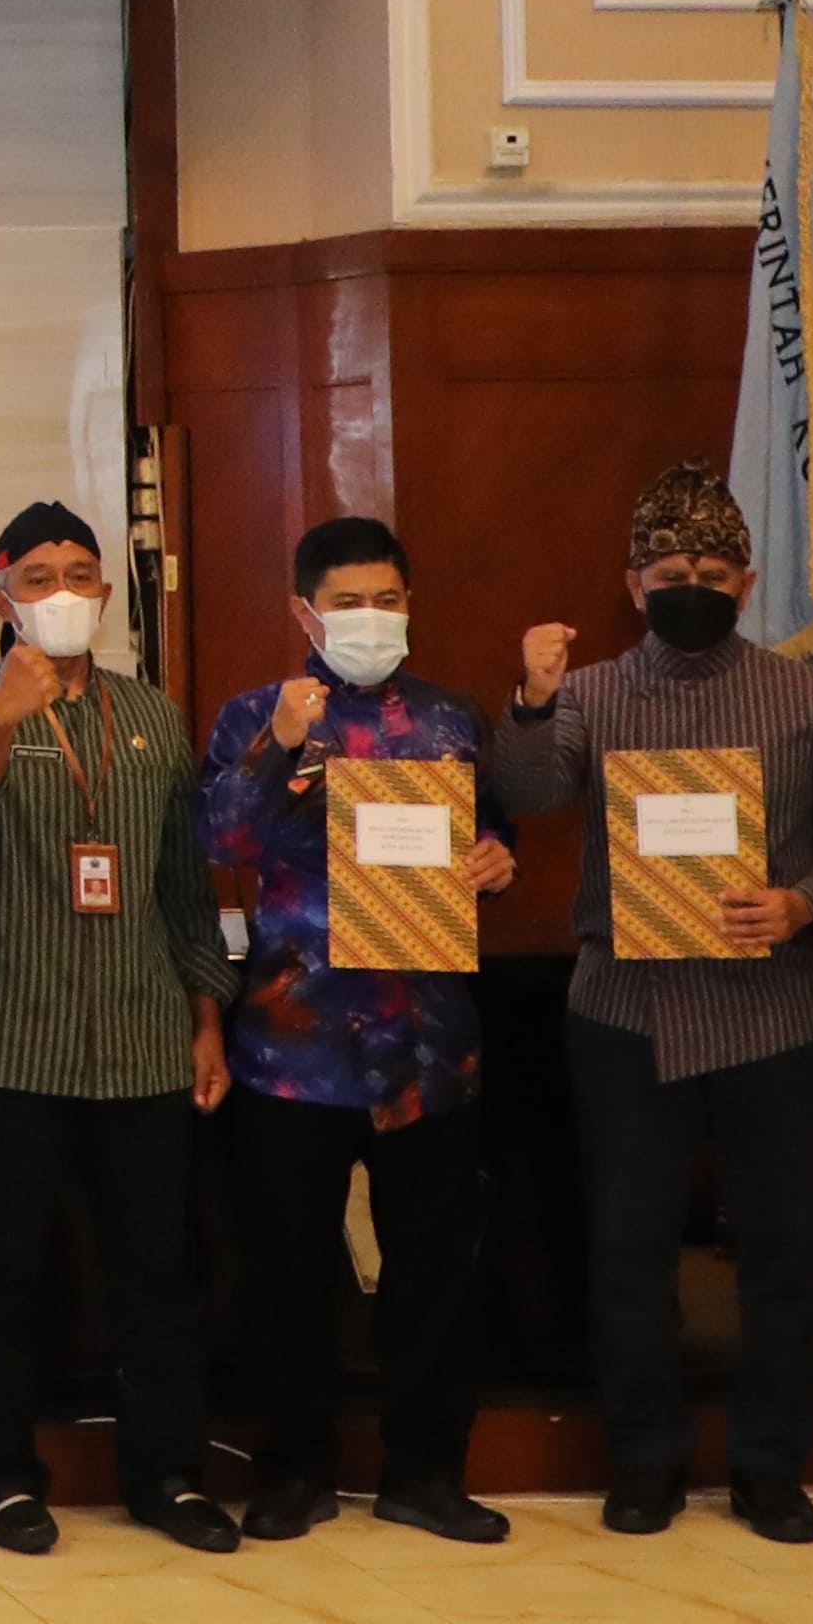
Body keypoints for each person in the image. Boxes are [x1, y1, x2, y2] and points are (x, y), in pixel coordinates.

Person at [484, 466, 813, 1539]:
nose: (691, 588)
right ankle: (646, 1460)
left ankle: (771, 1466)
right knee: (628, 1253)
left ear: (748, 583)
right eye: (669, 575)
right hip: (629, 1007)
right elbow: (527, 790)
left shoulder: (810, 697)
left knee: (784, 1253)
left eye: (711, 573)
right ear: (633, 584)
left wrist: (803, 903)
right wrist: (531, 697)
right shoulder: (592, 692)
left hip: (776, 1010)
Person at [0, 503, 240, 1558]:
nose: (63, 593)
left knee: (156, 1272)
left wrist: (205, 1015)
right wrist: (2, 720)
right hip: (13, 1036)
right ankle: (6, 1477)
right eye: (40, 577)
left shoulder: (152, 714)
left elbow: (183, 885)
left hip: (143, 1037)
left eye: (81, 574)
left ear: (105, 593)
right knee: (6, 1270)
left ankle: (167, 1474)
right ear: (1, 596)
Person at [188, 519, 520, 1545]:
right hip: (296, 1046)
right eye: (347, 601)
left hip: (427, 1040)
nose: (370, 617)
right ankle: (295, 1472)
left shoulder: (451, 717)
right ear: (305, 611)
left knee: (434, 1271)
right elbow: (220, 837)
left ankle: (426, 1473)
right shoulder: (257, 714)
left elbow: (491, 826)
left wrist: (495, 857)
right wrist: (282, 743)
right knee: (288, 1273)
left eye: (387, 599)